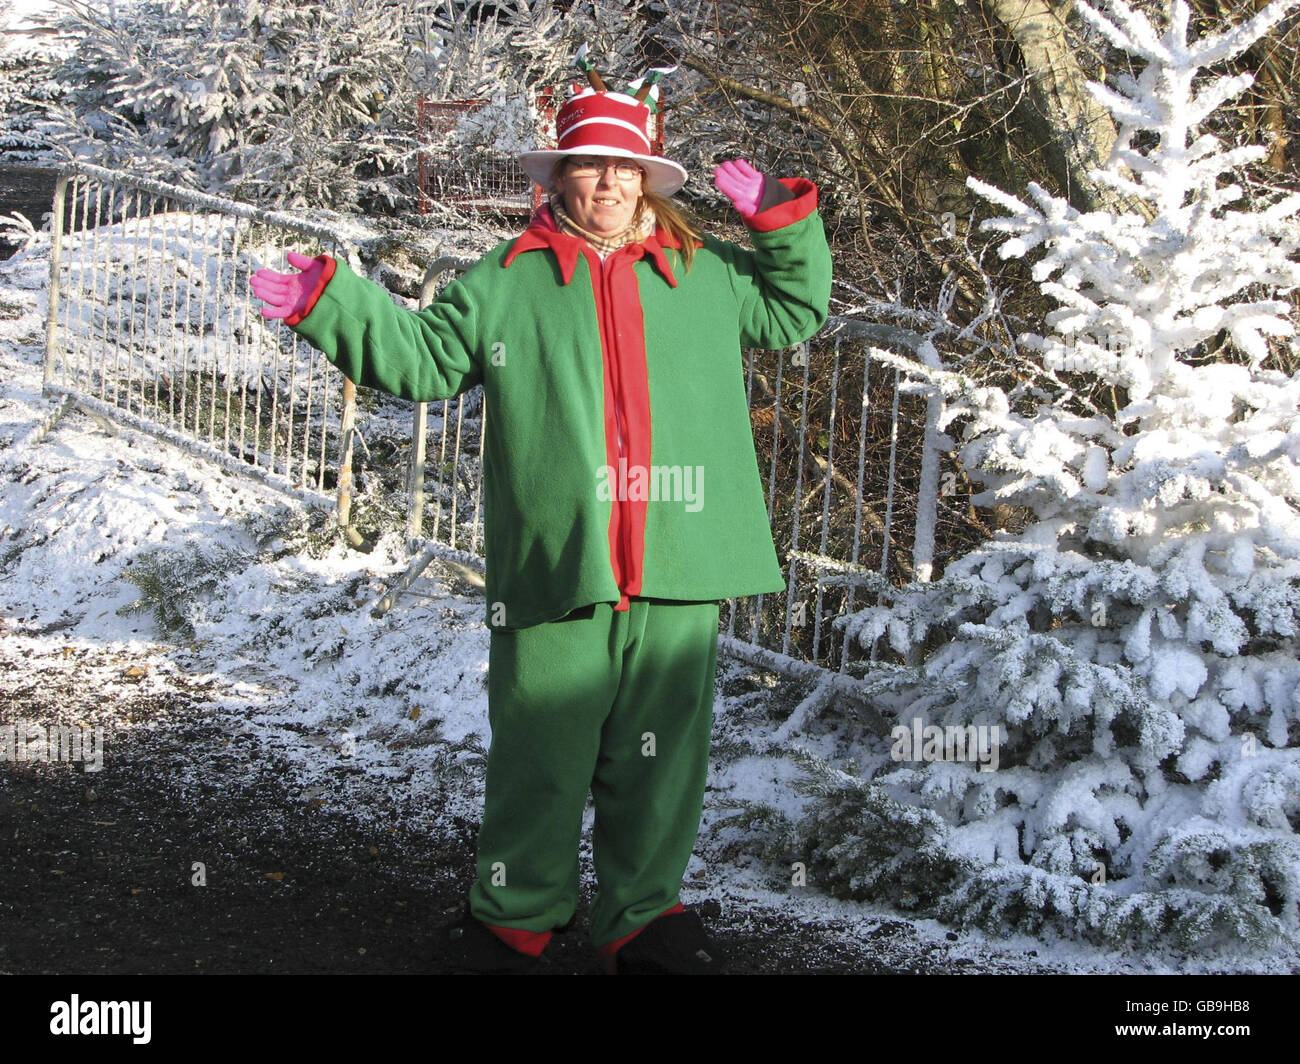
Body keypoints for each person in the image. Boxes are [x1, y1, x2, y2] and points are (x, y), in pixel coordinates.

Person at [251, 73, 831, 974]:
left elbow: (797, 308)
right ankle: (514, 918)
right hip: (561, 558)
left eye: (625, 167)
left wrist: (783, 222)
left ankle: (642, 916)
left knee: (661, 755)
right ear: (558, 177)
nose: (608, 183)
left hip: (681, 553)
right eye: (589, 167)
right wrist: (330, 303)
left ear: (646, 178)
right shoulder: (508, 278)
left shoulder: (708, 273)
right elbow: (426, 357)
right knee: (541, 751)